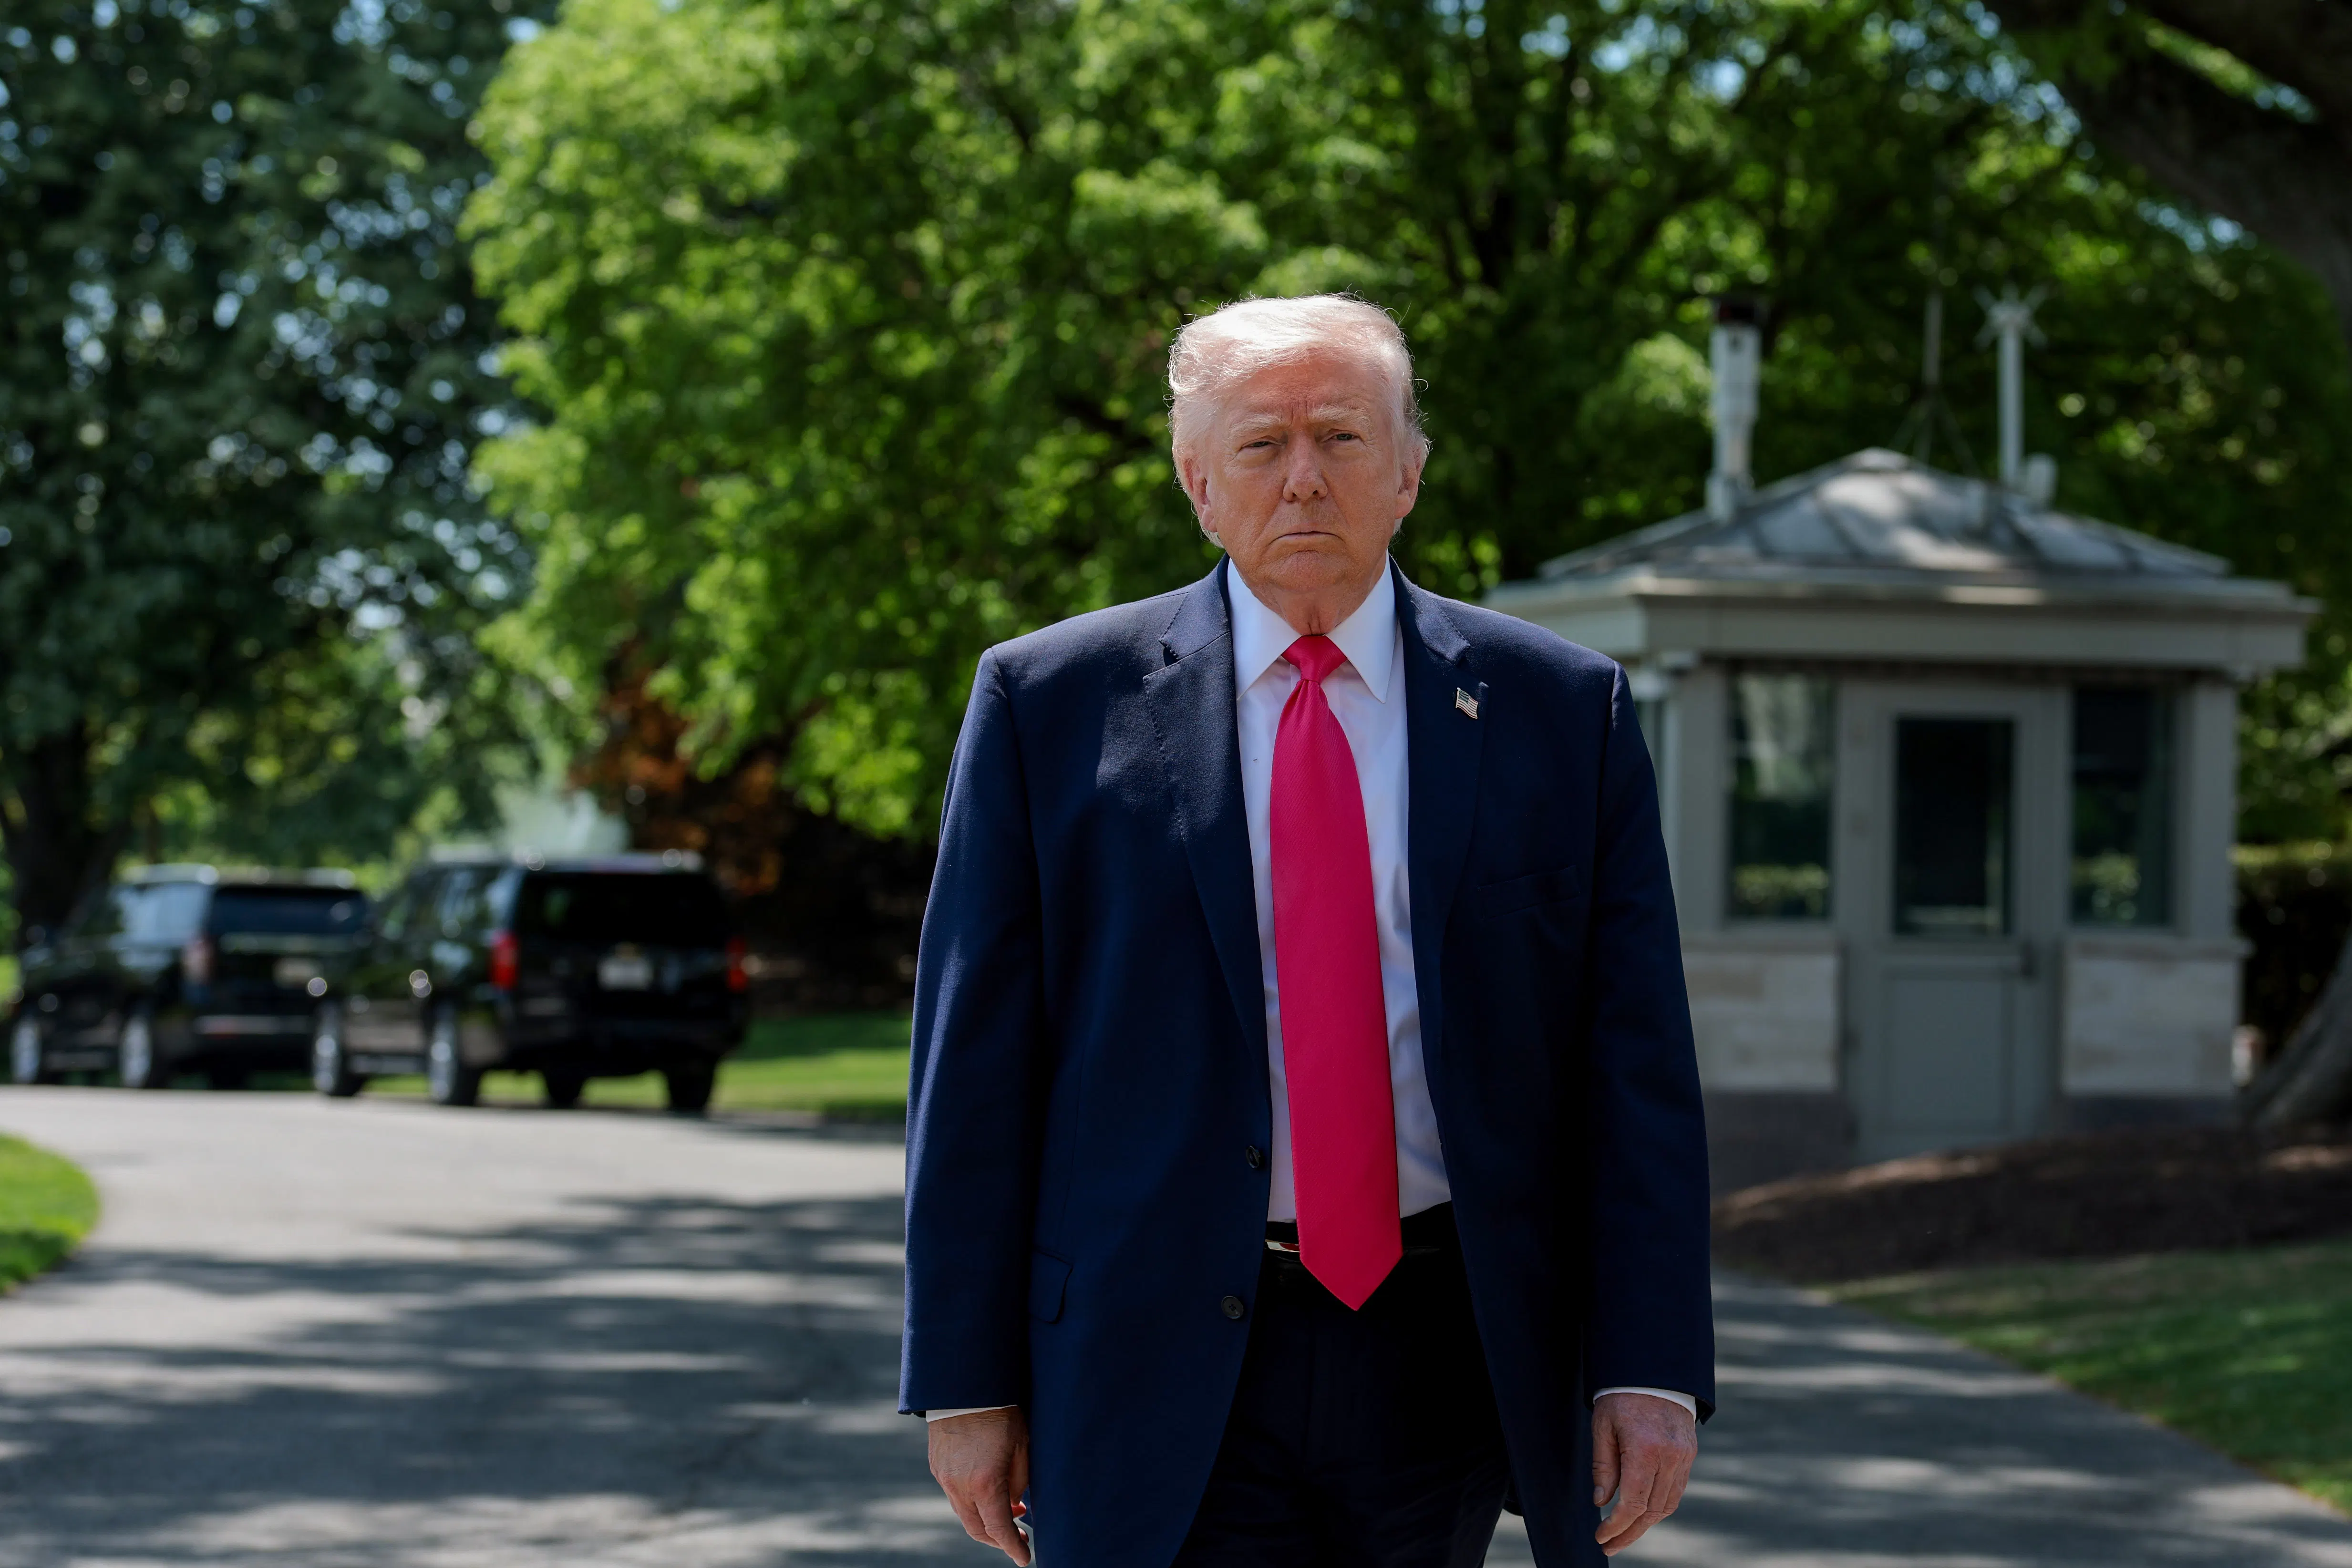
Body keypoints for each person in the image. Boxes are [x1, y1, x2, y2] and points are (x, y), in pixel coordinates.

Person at [901, 294, 1713, 1568]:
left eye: (1339, 438)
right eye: (1260, 447)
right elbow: (973, 1072)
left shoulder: (1561, 714)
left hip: (1445, 1349)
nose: (1302, 481)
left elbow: (1636, 1068)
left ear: (1408, 471)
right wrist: (962, 1383)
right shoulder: (1047, 707)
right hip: (1142, 1341)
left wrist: (1651, 1365)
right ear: (1196, 483)